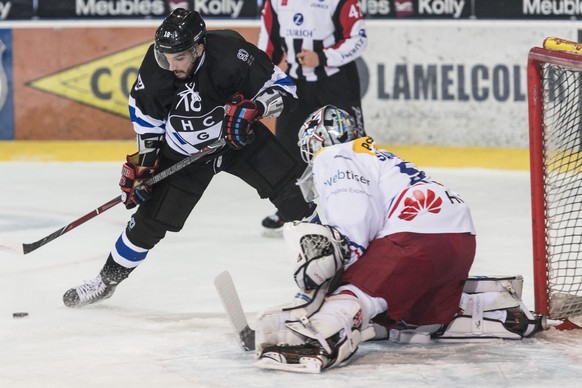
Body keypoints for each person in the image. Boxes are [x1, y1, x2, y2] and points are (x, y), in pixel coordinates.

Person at [253, 106, 546, 373]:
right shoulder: (373, 155)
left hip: (418, 235)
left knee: (352, 296)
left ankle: (316, 342)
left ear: (316, 140)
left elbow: (354, 219)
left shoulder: (334, 155)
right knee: (413, 327)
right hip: (458, 238)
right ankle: (495, 309)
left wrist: (340, 278)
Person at [62, 8, 319, 308]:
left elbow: (286, 90)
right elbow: (148, 122)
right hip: (183, 153)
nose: (170, 66)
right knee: (148, 222)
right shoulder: (156, 68)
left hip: (237, 141)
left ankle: (326, 265)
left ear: (199, 48)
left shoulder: (233, 55)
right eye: (165, 57)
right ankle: (106, 281)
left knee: (294, 193)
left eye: (179, 58)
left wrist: (257, 109)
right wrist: (145, 166)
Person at [257, 0, 368, 232]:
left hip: (336, 82)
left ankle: (367, 203)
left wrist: (323, 57)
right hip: (297, 84)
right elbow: (269, 42)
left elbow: (358, 38)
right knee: (287, 149)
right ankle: (292, 208)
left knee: (353, 145)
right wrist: (258, 77)